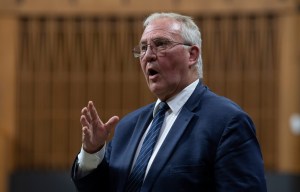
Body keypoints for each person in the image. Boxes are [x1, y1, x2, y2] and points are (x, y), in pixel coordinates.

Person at [71, 12, 267, 191]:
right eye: (143, 48)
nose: (148, 55)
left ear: (192, 55)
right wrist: (92, 152)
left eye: (161, 44)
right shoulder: (127, 127)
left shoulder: (227, 122)